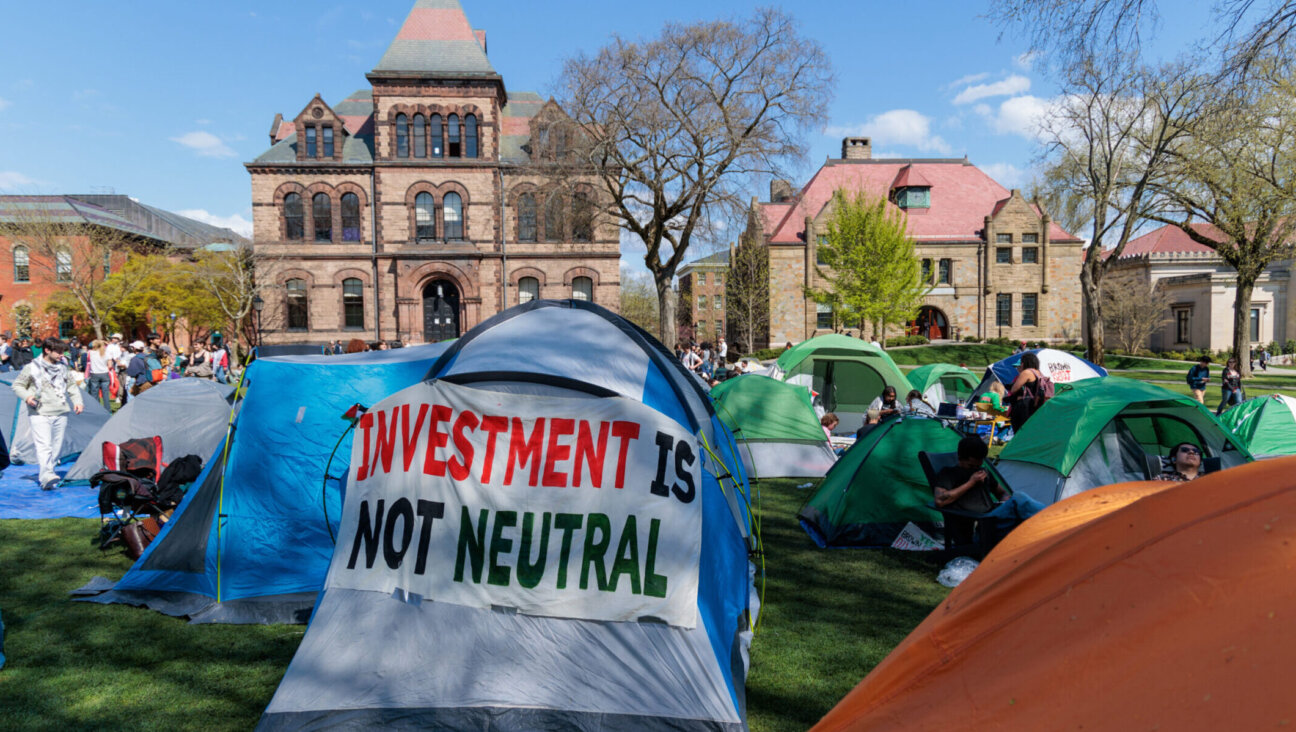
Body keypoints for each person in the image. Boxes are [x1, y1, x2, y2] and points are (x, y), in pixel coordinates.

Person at [12, 338, 84, 490]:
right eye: (58, 352)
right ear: (47, 350)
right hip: (40, 412)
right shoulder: (31, 368)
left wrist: (78, 401)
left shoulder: (63, 368)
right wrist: (27, 397)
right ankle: (47, 475)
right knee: (44, 445)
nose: (61, 355)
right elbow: (17, 385)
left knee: (56, 446)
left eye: (62, 351)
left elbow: (71, 386)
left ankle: (48, 473)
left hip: (61, 410)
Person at [934, 436, 1010, 549]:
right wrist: (971, 482)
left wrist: (1005, 501)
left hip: (994, 516)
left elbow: (1002, 493)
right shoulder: (949, 473)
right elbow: (940, 500)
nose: (975, 469)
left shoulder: (983, 472)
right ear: (960, 458)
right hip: (981, 520)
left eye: (978, 466)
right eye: (971, 466)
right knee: (1023, 501)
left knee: (1019, 500)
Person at [1007, 351, 1046, 432]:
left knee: (1019, 430)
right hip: (1034, 403)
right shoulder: (1038, 372)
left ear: (1025, 362)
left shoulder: (1026, 372)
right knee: (1029, 430)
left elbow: (1014, 389)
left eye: (1021, 362)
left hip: (1023, 405)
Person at [84, 339, 113, 411]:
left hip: (94, 374)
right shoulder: (107, 353)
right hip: (105, 374)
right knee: (105, 394)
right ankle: (107, 409)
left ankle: (96, 409)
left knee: (94, 393)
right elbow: (110, 366)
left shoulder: (90, 353)